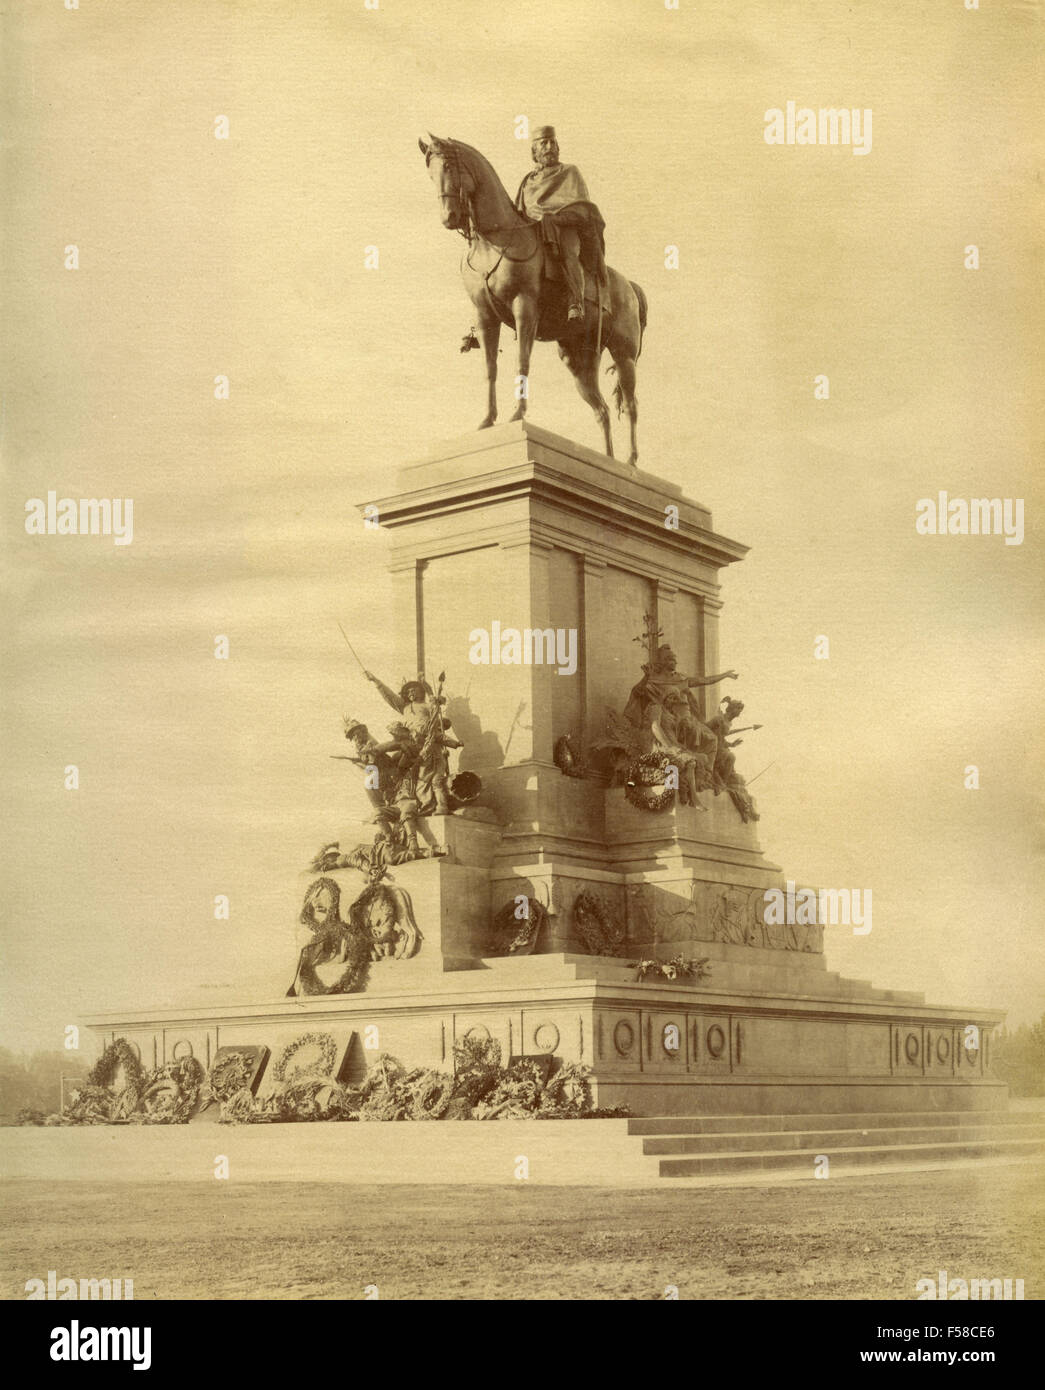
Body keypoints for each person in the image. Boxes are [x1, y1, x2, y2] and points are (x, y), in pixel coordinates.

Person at [515, 126, 606, 322]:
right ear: (534, 152)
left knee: (568, 253)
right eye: (543, 143)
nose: (549, 147)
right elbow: (521, 212)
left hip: (564, 226)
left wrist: (556, 218)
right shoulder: (528, 181)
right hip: (533, 229)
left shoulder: (570, 172)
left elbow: (582, 208)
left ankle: (576, 303)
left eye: (552, 143)